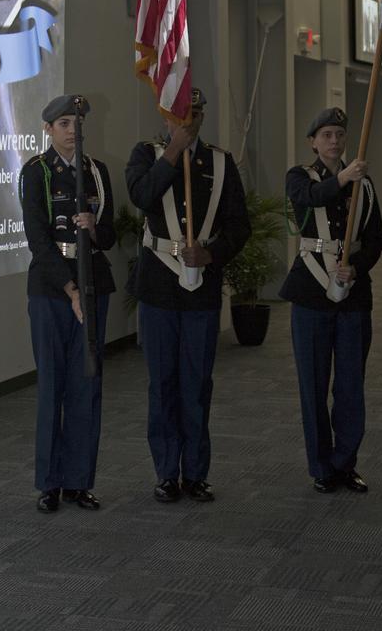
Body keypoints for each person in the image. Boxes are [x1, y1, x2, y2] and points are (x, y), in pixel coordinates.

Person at [125, 87, 250, 503]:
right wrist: (173, 152)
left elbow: (239, 226)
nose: (188, 120)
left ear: (202, 116)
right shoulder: (146, 154)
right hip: (158, 286)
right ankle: (166, 473)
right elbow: (141, 195)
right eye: (180, 113)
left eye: (194, 113)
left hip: (201, 287)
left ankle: (195, 473)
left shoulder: (220, 162)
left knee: (196, 384)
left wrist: (212, 253)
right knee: (162, 384)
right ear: (166, 116)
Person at [19, 94, 115, 513]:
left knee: (86, 385)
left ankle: (79, 481)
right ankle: (50, 483)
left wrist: (94, 228)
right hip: (52, 289)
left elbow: (110, 236)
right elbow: (38, 241)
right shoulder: (37, 172)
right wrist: (71, 290)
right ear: (48, 129)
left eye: (77, 123)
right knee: (52, 385)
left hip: (93, 281)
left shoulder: (96, 172)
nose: (73, 130)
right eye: (64, 124)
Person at [281, 107, 382, 493]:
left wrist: (356, 268)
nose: (334, 141)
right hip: (310, 294)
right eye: (326, 135)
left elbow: (375, 240)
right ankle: (321, 466)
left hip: (353, 296)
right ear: (313, 142)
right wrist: (343, 178)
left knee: (351, 384)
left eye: (339, 134)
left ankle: (345, 462)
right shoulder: (299, 177)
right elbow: (310, 199)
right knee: (313, 385)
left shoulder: (365, 185)